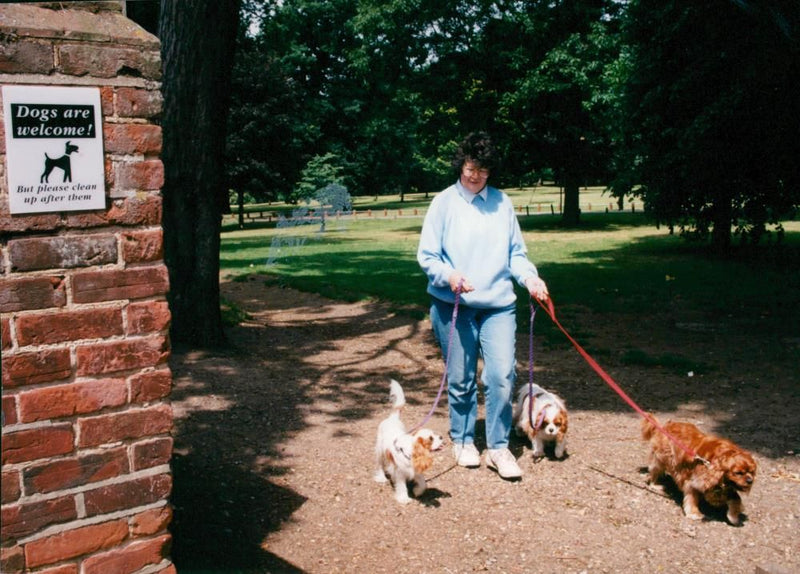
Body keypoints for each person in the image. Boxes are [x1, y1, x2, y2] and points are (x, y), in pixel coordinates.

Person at [417, 132, 549, 479]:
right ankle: (462, 440)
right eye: (470, 168)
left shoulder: (502, 203)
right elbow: (427, 256)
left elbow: (516, 254)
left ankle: (498, 447)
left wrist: (530, 278)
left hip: (498, 305)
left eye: (483, 170)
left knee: (501, 376)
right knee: (461, 378)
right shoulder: (443, 203)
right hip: (453, 304)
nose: (475, 176)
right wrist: (449, 275)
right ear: (460, 165)